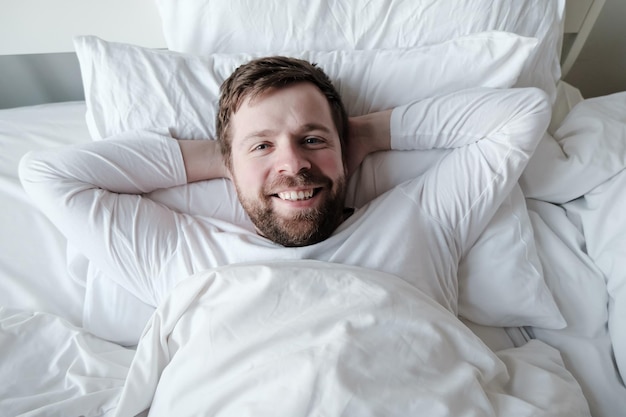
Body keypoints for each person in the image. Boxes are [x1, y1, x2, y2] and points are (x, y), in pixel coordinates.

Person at [19, 56, 551, 316]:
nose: (293, 164)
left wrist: (357, 134)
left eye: (312, 139)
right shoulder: (181, 256)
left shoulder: (417, 219)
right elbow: (48, 175)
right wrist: (229, 157)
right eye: (264, 145)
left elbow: (523, 112)